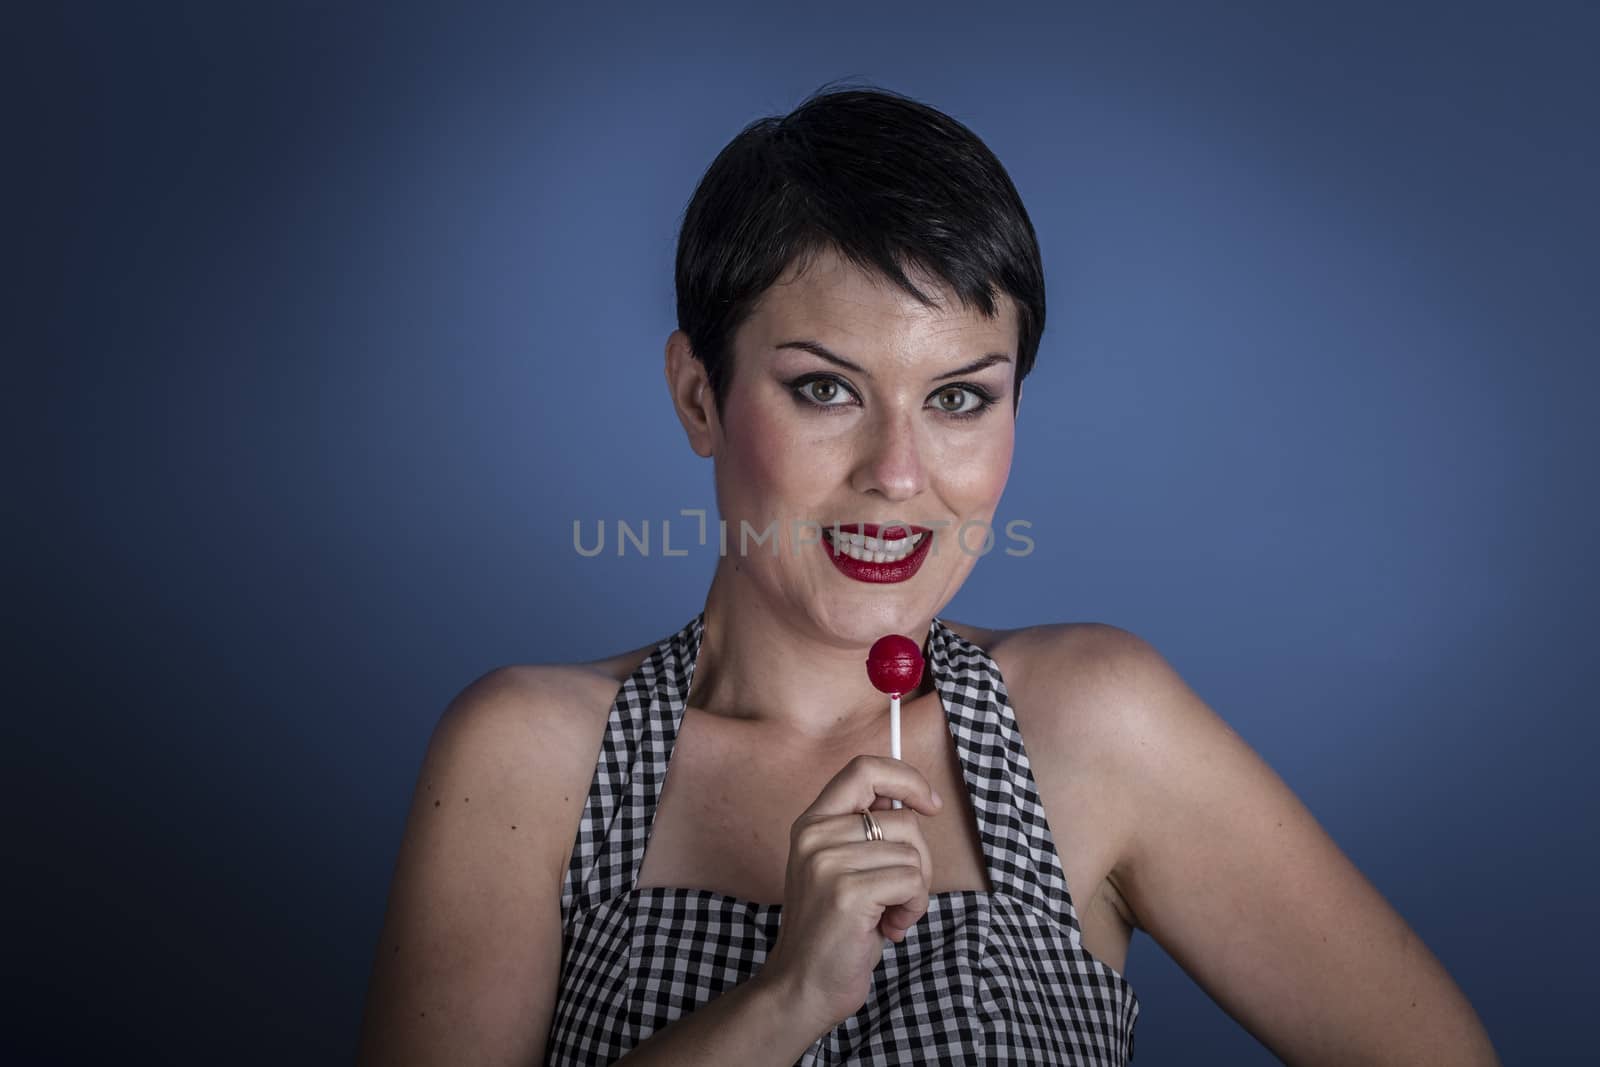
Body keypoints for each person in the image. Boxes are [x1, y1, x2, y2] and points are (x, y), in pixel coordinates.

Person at [355, 85, 1500, 1066]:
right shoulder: (527, 757)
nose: (898, 474)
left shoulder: (1096, 722)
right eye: (824, 388)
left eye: (959, 398)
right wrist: (780, 1002)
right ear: (698, 396)